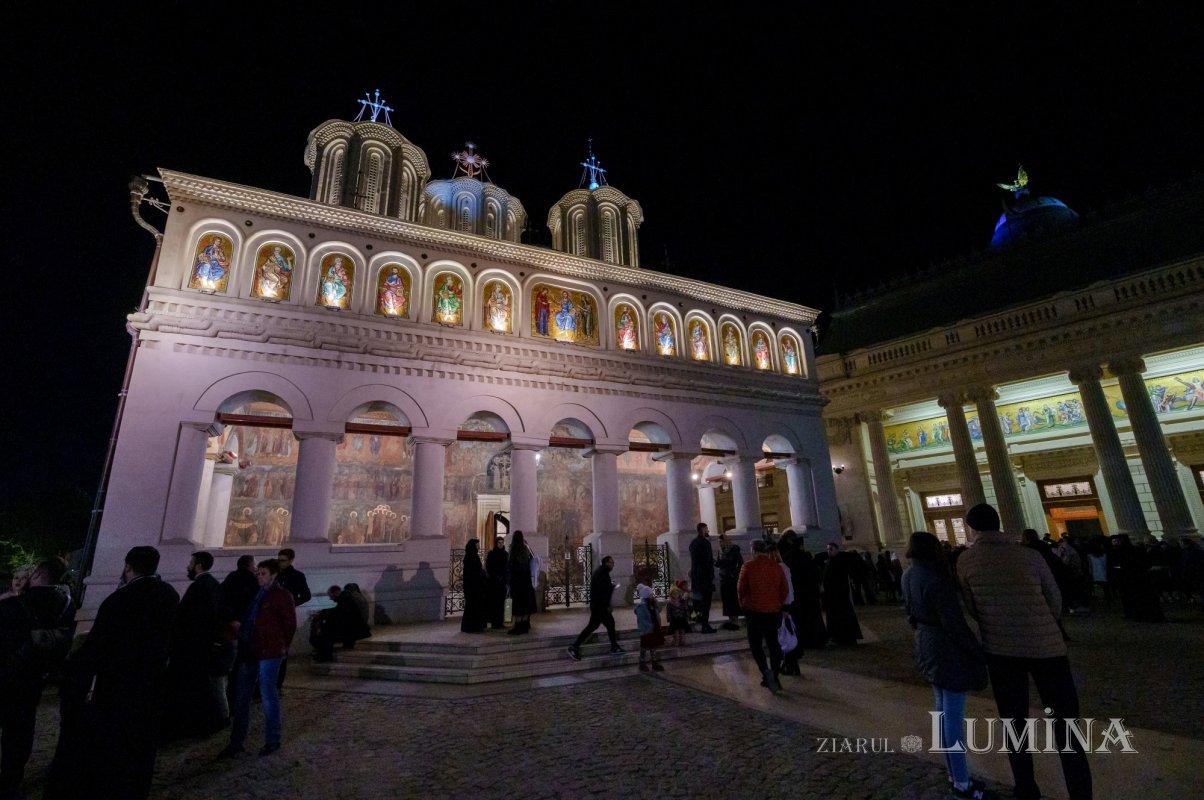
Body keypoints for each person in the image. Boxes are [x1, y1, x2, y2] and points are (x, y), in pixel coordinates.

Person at [957, 504, 1092, 800]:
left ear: (972, 528)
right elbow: (1054, 597)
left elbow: (971, 607)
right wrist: (1042, 622)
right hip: (1047, 647)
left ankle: (1026, 788)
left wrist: (996, 622)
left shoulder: (966, 561)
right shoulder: (1029, 554)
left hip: (1001, 650)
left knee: (1014, 721)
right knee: (1067, 723)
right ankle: (1081, 792)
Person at [47, 546, 179, 800]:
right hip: (151, 683)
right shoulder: (170, 594)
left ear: (128, 567)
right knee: (140, 745)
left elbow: (98, 646)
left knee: (113, 744)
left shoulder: (119, 599)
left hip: (117, 685)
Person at [903, 531, 989, 800]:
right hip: (946, 650)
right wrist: (976, 651)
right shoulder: (937, 581)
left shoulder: (908, 575)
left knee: (942, 713)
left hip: (926, 645)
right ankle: (962, 783)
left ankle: (955, 773)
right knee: (952, 719)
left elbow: (910, 613)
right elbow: (955, 625)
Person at [0, 558, 75, 800]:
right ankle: (10, 782)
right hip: (35, 677)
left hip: (6, 675)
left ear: (37, 574)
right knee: (21, 732)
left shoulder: (14, 605)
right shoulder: (66, 605)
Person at [220, 558, 298, 759]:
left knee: (267, 695)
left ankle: (273, 739)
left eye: (263, 574)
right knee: (241, 698)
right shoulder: (256, 594)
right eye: (258, 573)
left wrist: (282, 646)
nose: (259, 577)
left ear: (273, 575)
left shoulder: (282, 596)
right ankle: (236, 742)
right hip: (251, 650)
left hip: (270, 652)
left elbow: (289, 625)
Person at [164, 551, 225, 739]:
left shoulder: (199, 586)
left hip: (192, 647)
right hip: (204, 645)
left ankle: (194, 723)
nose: (187, 566)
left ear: (198, 565)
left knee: (193, 687)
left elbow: (188, 618)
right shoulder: (214, 584)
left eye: (190, 562)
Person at [737, 539, 788, 693]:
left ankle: (766, 672)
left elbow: (741, 589)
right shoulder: (776, 567)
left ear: (753, 550)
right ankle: (776, 676)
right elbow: (784, 589)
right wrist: (778, 603)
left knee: (756, 644)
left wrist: (743, 604)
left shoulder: (748, 566)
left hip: (754, 611)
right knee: (773, 643)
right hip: (772, 610)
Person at [568, 556, 625, 660]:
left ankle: (575, 646)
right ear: (606, 562)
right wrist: (607, 605)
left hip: (597, 605)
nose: (613, 565)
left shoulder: (601, 572)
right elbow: (601, 592)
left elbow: (602, 588)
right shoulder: (602, 573)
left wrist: (610, 587)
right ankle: (613, 647)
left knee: (596, 625)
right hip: (600, 606)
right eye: (611, 563)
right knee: (607, 624)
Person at [274, 548, 310, 689]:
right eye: (279, 560)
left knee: (282, 649)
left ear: (290, 561)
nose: (280, 563)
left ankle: (278, 682)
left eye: (283, 561)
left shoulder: (297, 576)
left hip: (285, 617)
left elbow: (306, 595)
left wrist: (291, 604)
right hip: (273, 615)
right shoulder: (275, 574)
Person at [311, 585, 371, 660]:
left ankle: (326, 655)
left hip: (354, 629)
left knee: (327, 630)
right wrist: (323, 613)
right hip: (354, 626)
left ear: (336, 593)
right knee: (328, 627)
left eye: (330, 596)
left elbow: (339, 612)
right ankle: (324, 654)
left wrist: (322, 613)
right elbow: (339, 612)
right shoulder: (345, 597)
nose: (330, 598)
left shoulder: (345, 598)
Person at [822, 541, 863, 645]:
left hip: (840, 594)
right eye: (827, 549)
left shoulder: (841, 561)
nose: (828, 551)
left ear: (837, 549)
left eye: (831, 549)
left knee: (844, 614)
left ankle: (847, 636)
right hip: (832, 595)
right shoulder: (830, 562)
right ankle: (838, 635)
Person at [507, 531, 538, 634]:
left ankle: (518, 627)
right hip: (526, 581)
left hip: (516, 582)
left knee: (518, 605)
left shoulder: (513, 549)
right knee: (525, 604)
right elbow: (532, 560)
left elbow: (510, 566)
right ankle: (525, 625)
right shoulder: (526, 549)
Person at [689, 522, 717, 633]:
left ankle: (701, 623)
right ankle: (705, 625)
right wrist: (711, 575)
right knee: (706, 603)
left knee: (699, 602)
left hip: (696, 577)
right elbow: (708, 561)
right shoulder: (705, 543)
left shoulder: (693, 543)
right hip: (705, 577)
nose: (708, 531)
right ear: (702, 529)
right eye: (706, 529)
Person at [715, 532, 744, 630]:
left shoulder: (734, 550)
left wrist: (734, 573)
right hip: (724, 579)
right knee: (726, 600)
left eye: (721, 542)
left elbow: (740, 563)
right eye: (719, 542)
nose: (720, 544)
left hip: (732, 579)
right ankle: (730, 619)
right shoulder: (721, 551)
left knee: (733, 600)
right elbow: (720, 563)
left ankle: (735, 620)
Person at [634, 583, 664, 672]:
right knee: (644, 646)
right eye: (651, 594)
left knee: (654, 645)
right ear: (646, 596)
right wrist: (648, 626)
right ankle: (642, 662)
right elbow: (641, 619)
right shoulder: (641, 607)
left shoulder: (653, 604)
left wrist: (656, 602)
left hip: (655, 628)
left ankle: (654, 662)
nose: (652, 596)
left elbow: (659, 609)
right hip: (647, 630)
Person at [460, 539, 489, 633]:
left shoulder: (473, 556)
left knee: (475, 606)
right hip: (472, 587)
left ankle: (475, 626)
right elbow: (473, 572)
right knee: (472, 607)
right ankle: (472, 627)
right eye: (477, 545)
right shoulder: (470, 557)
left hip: (476, 586)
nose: (479, 547)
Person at [485, 535, 509, 629]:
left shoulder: (505, 554)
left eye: (502, 543)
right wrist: (495, 575)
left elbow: (507, 567)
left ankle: (501, 621)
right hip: (494, 583)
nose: (501, 544)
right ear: (496, 543)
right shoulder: (492, 554)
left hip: (502, 582)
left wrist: (505, 578)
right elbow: (489, 567)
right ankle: (495, 622)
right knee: (494, 603)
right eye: (499, 542)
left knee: (501, 603)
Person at [666, 580, 691, 647]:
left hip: (681, 618)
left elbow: (685, 608)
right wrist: (669, 619)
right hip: (674, 619)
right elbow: (668, 612)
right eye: (675, 594)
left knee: (682, 631)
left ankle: (683, 641)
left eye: (677, 594)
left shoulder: (681, 601)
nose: (676, 595)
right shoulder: (669, 603)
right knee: (676, 632)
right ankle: (676, 642)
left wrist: (687, 615)